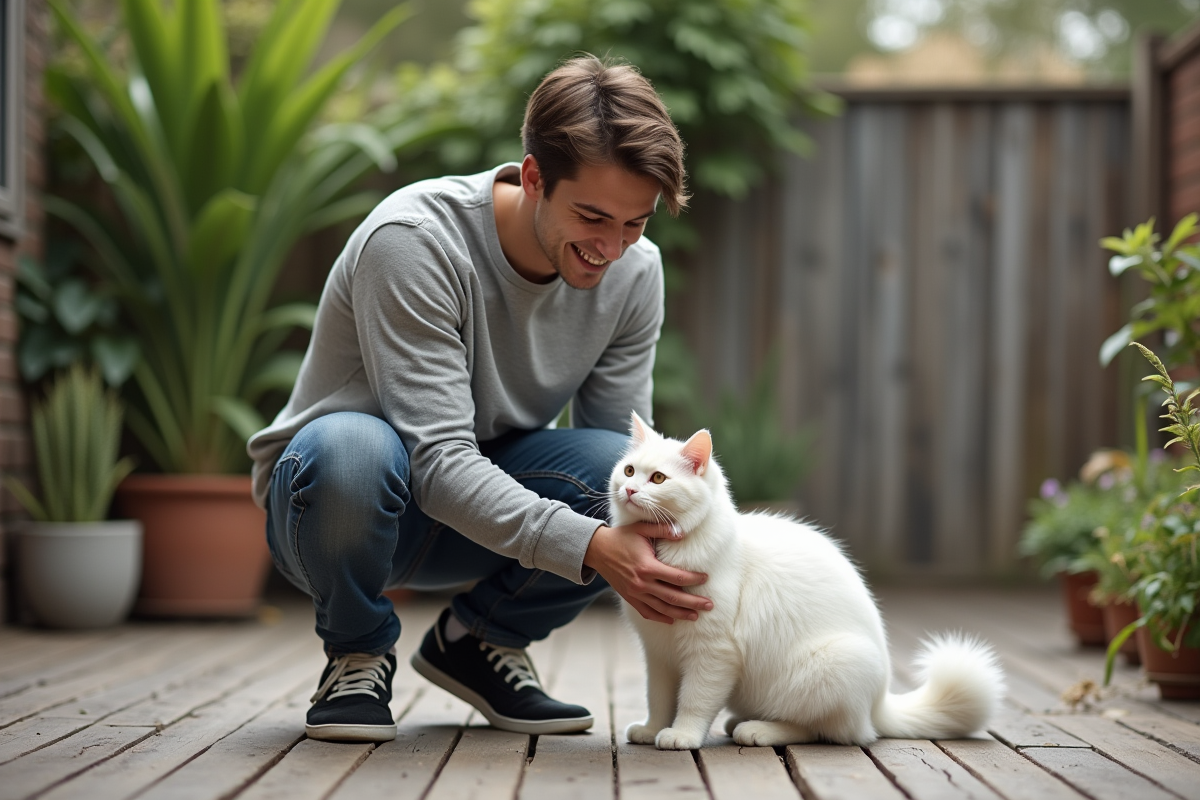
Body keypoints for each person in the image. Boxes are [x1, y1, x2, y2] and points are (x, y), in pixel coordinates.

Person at [247, 55, 714, 743]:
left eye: (635, 225)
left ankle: (479, 641)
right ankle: (356, 652)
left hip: (476, 512)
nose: (612, 249)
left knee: (626, 475)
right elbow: (434, 460)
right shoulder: (413, 242)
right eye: (592, 216)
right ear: (533, 178)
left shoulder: (634, 273)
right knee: (352, 448)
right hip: (338, 508)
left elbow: (627, 455)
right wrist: (591, 544)